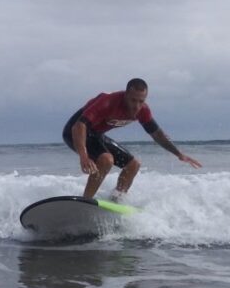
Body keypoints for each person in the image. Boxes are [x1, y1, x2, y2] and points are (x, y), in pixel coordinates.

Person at [62, 78, 202, 200]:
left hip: (96, 135)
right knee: (106, 160)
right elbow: (78, 126)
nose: (136, 106)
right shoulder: (108, 102)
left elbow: (157, 134)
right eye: (133, 100)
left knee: (133, 164)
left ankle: (116, 200)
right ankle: (86, 201)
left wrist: (179, 154)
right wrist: (84, 156)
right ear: (126, 94)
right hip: (74, 132)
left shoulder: (143, 111)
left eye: (141, 101)